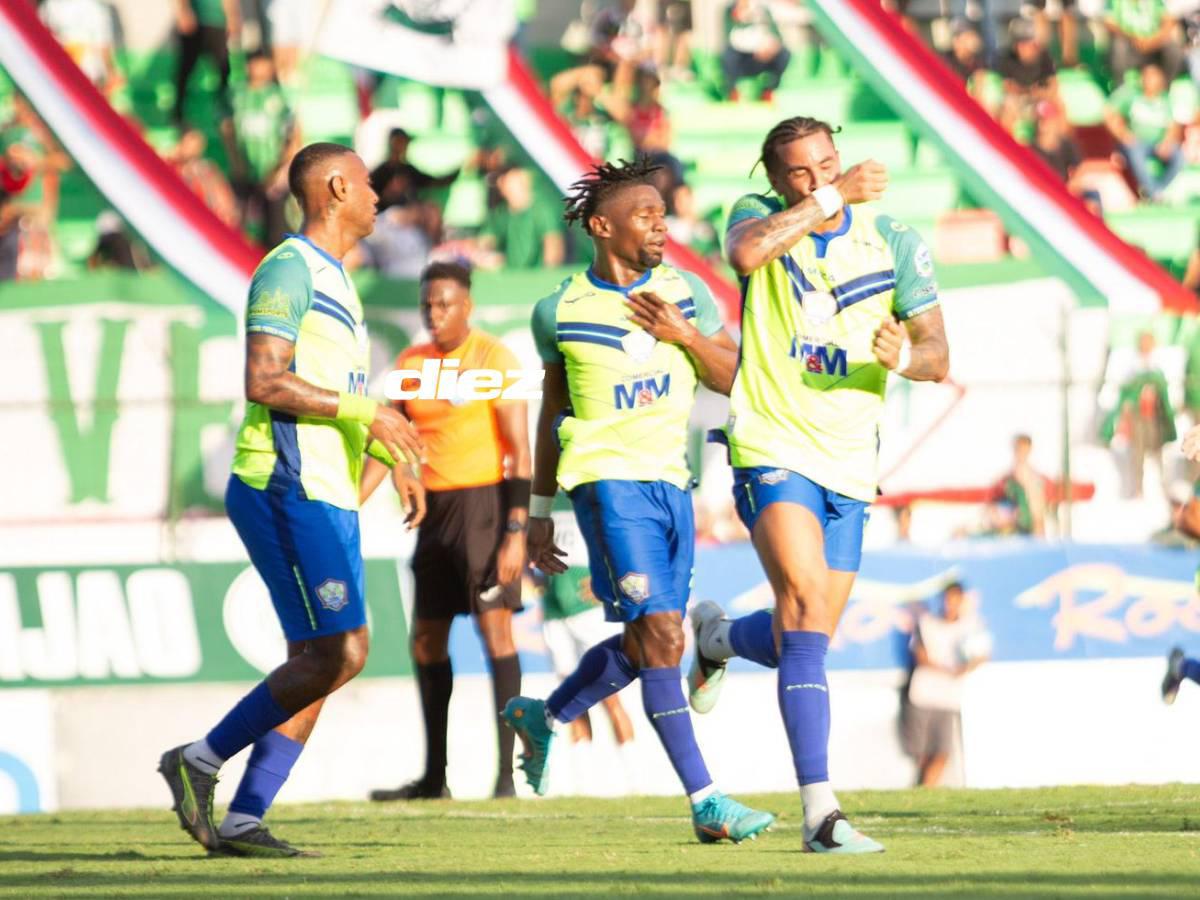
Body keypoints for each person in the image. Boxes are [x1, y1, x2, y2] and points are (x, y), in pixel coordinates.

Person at [688, 115, 949, 853]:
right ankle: (821, 816)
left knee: (807, 637)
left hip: (850, 459)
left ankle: (715, 639)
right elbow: (745, 254)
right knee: (801, 607)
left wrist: (906, 356)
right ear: (775, 181)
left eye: (827, 165)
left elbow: (938, 353)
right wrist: (827, 201)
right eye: (801, 173)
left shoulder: (893, 239)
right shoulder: (755, 219)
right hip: (770, 439)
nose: (819, 178)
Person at [157, 142, 423, 857]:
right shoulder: (288, 268)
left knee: (321, 658)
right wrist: (372, 417)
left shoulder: (336, 277)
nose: (379, 196)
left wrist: (383, 451)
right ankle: (200, 761)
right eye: (369, 184)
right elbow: (265, 380)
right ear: (337, 187)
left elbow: (337, 399)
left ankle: (243, 819)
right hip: (282, 482)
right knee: (341, 651)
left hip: (324, 491)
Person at [504, 157, 774, 843]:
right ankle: (707, 801)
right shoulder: (558, 311)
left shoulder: (686, 292)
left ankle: (547, 716)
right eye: (646, 215)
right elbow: (551, 412)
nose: (661, 225)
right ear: (602, 225)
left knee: (649, 637)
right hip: (608, 484)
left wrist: (683, 335)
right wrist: (537, 516)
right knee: (661, 637)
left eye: (662, 213)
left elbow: (735, 377)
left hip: (671, 485)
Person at [363, 261, 531, 801]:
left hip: (485, 508)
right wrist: (398, 470)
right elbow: (389, 434)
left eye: (445, 304)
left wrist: (515, 532)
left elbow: (521, 452)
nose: (434, 314)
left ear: (468, 306)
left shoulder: (492, 358)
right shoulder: (412, 363)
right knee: (427, 641)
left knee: (495, 633)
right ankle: (435, 778)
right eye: (427, 305)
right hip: (433, 516)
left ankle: (506, 778)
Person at [904, 582, 991, 787]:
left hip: (949, 696)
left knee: (942, 750)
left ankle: (926, 790)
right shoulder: (927, 623)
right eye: (947, 599)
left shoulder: (972, 625)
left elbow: (981, 655)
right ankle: (924, 790)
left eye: (955, 599)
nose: (950, 604)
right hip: (923, 693)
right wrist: (946, 670)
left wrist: (965, 668)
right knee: (922, 751)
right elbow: (920, 654)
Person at [224, 51, 301, 247]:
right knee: (240, 220)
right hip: (243, 168)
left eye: (262, 64)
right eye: (254, 64)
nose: (257, 69)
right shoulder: (236, 94)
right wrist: (236, 161)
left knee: (275, 224)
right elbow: (227, 129)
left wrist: (279, 168)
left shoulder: (279, 97)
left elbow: (293, 134)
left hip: (272, 170)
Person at [1104, 63, 1185, 202]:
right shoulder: (1131, 94)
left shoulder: (1166, 100)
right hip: (1136, 142)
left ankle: (1156, 190)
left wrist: (1167, 141)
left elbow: (1174, 125)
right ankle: (1154, 193)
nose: (1148, 80)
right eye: (1146, 76)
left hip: (1158, 142)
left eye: (1152, 76)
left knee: (1179, 156)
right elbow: (1109, 113)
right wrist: (1123, 133)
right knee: (1135, 151)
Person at [479, 166, 564, 270]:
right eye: (504, 185)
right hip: (511, 277)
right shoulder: (502, 212)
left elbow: (553, 246)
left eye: (514, 185)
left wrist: (546, 275)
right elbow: (486, 240)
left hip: (536, 278)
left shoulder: (542, 211)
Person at [173, 0, 240, 125]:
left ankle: (224, 111)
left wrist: (232, 17)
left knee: (224, 68)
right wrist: (183, 12)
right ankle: (178, 112)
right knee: (186, 68)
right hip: (196, 21)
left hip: (218, 21)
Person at [722, 0, 790, 103]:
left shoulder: (764, 8)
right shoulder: (730, 9)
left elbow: (777, 35)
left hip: (765, 51)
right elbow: (729, 36)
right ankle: (733, 92)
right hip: (742, 53)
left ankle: (768, 90)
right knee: (728, 56)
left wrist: (770, 46)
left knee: (784, 54)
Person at [1105, 0, 1182, 87]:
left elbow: (1169, 20)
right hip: (1129, 46)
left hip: (1153, 46)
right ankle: (1120, 87)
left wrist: (1153, 40)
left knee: (1173, 48)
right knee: (1118, 46)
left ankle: (1165, 87)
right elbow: (1109, 23)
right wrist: (1133, 38)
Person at [989, 434, 1052, 537]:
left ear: (1029, 451)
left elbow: (1039, 513)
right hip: (1007, 531)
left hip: (1027, 531)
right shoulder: (1004, 480)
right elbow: (991, 506)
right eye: (1018, 450)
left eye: (1024, 450)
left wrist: (1038, 530)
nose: (1021, 454)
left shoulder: (1036, 480)